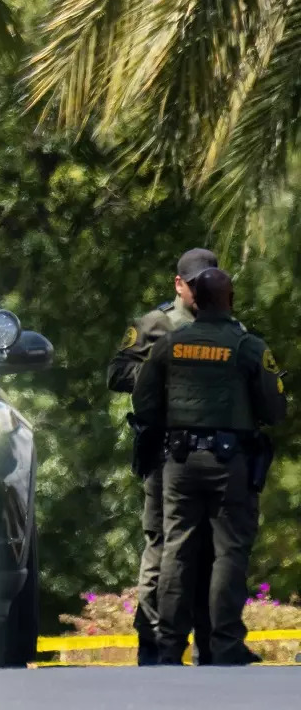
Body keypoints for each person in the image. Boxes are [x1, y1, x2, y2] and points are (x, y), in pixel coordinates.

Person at [132, 267, 287, 665]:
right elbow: (275, 408)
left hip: (179, 463)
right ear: (230, 300)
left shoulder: (169, 344)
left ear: (195, 300)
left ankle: (168, 647)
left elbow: (144, 402)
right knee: (229, 551)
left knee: (176, 550)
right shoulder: (248, 347)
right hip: (229, 462)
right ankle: (225, 645)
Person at [107, 248, 220, 665]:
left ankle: (212, 642)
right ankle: (153, 638)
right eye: (193, 284)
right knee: (162, 544)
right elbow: (117, 373)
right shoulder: (157, 323)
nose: (199, 291)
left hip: (214, 456)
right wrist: (165, 369)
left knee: (212, 549)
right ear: (179, 284)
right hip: (165, 451)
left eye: (207, 282)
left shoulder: (226, 326)